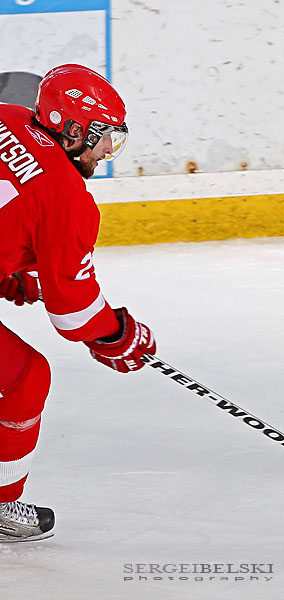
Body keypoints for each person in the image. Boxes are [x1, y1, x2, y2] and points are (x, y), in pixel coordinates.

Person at [0, 64, 156, 542]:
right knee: (28, 377)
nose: (109, 149)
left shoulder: (6, 115)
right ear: (71, 131)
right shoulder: (68, 198)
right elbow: (74, 313)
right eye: (104, 136)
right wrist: (118, 335)